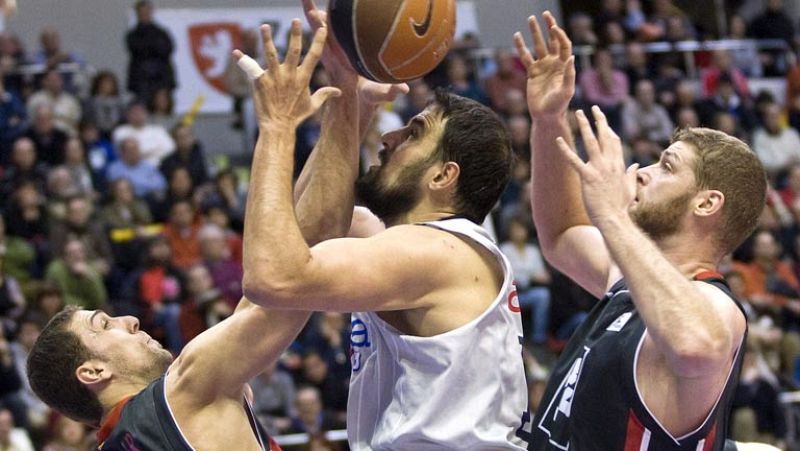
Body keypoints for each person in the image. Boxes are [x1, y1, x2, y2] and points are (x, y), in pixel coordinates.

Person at [25, 14, 404, 450]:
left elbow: (287, 256)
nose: (128, 319)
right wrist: (281, 124)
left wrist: (349, 108)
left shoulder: (141, 428)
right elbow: (295, 267)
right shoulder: (183, 392)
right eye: (104, 324)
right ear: (93, 373)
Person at [235, 3, 527, 449]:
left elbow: (271, 276)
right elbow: (302, 232)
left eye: (414, 133)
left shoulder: (436, 254)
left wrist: (277, 127)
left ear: (443, 176)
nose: (390, 138)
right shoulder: (411, 247)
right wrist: (349, 95)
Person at [514, 12, 766, 450]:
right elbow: (560, 234)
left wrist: (611, 215)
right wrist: (550, 118)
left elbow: (696, 345)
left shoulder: (716, 307)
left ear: (706, 203)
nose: (642, 173)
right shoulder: (628, 283)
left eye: (665, 165)